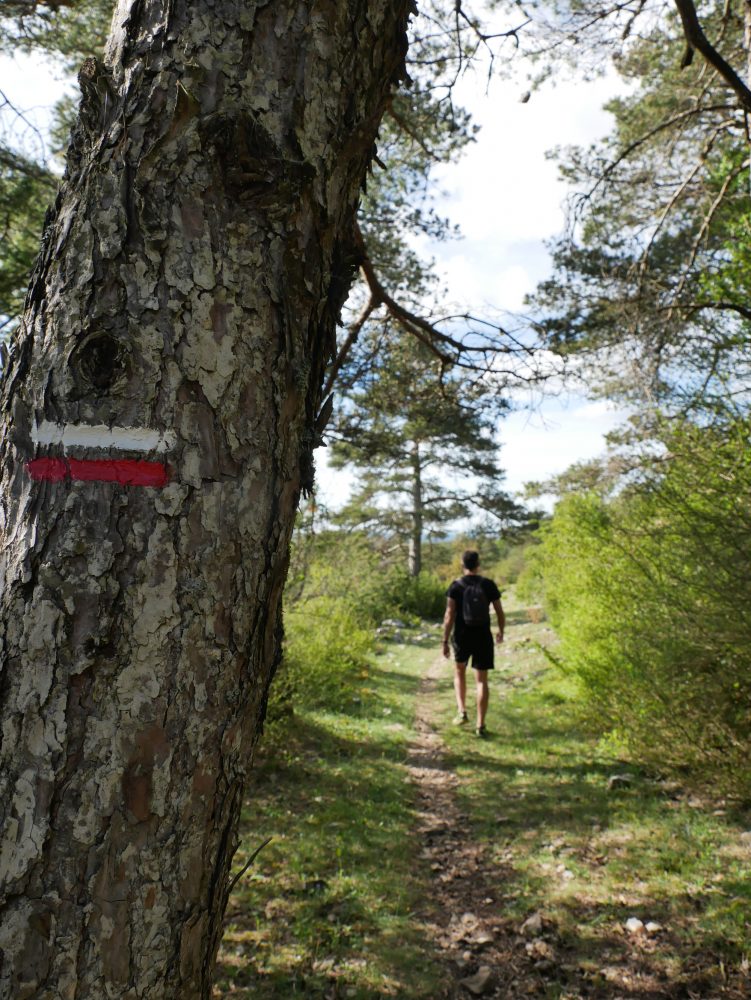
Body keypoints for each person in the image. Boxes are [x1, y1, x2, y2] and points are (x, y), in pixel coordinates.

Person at [442, 549, 505, 738]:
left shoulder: (456, 586)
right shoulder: (488, 584)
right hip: (483, 636)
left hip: (461, 636)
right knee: (481, 680)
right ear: (478, 565)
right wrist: (501, 631)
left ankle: (462, 712)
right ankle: (481, 725)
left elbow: (449, 615)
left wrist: (444, 640)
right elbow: (500, 611)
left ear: (462, 565)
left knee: (459, 672)